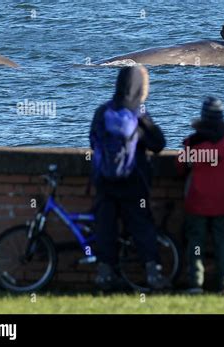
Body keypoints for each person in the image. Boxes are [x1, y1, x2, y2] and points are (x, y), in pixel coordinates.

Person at [89, 65, 168, 291]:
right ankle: (153, 274)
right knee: (142, 227)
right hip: (134, 183)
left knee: (105, 228)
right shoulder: (139, 114)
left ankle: (105, 275)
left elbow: (93, 141)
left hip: (104, 181)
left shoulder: (102, 112)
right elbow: (159, 144)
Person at [176, 97, 224, 295]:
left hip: (196, 201)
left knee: (195, 244)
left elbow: (179, 167)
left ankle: (196, 284)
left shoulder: (192, 142)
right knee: (223, 243)